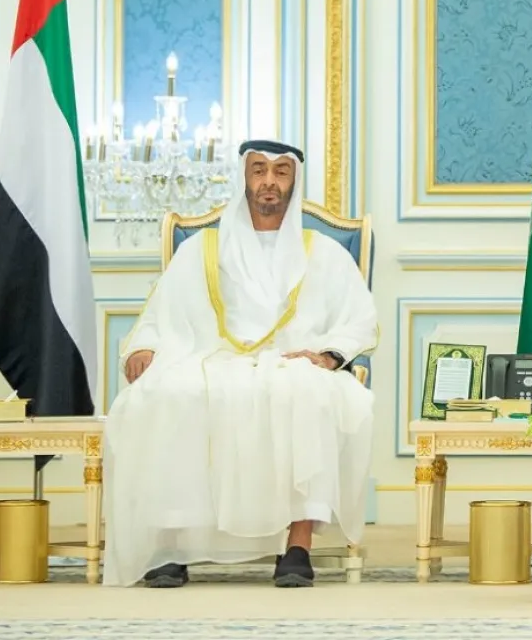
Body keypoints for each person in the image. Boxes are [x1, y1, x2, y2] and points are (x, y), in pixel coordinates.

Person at [103, 140, 379, 588]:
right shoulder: (202, 249)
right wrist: (144, 347)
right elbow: (159, 312)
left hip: (291, 362)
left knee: (304, 390)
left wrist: (328, 356)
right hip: (210, 358)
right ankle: (173, 546)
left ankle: (297, 547)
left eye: (281, 172)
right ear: (244, 178)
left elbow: (360, 319)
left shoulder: (325, 253)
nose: (269, 181)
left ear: (294, 181)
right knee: (170, 393)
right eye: (259, 170)